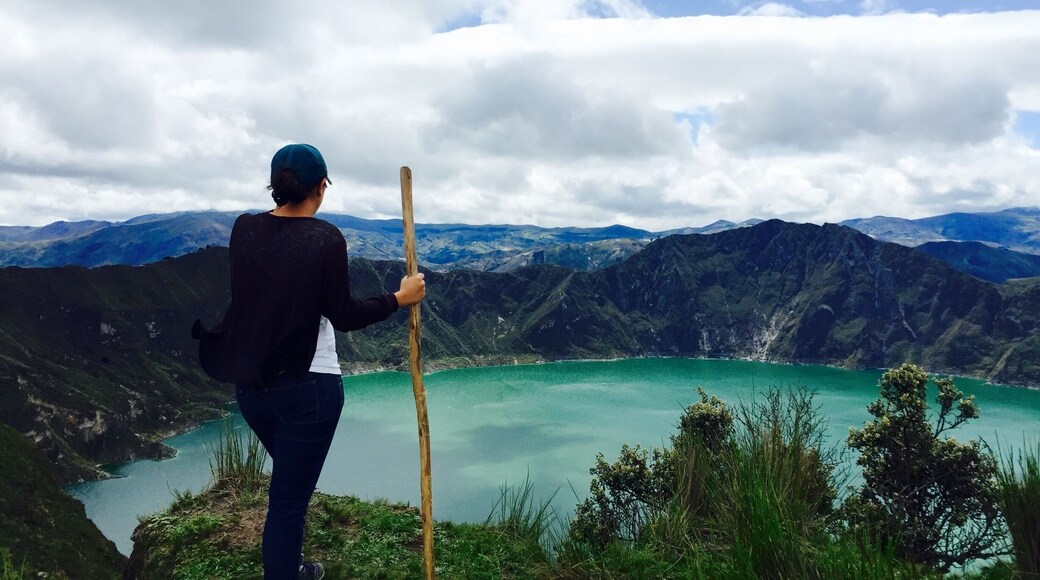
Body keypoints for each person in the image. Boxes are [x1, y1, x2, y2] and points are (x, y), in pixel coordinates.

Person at [193, 143, 426, 579]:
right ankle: (288, 572)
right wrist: (399, 298)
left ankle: (293, 566)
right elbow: (344, 315)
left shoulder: (244, 230)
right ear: (321, 187)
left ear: (275, 187)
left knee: (289, 488)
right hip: (309, 390)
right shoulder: (325, 238)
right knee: (287, 502)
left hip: (251, 387)